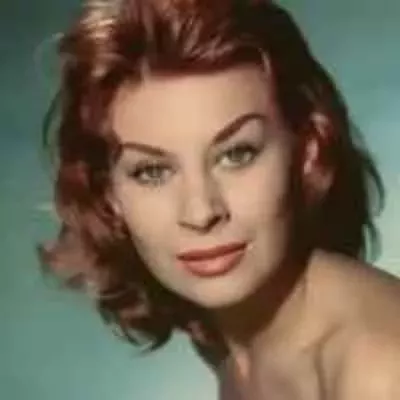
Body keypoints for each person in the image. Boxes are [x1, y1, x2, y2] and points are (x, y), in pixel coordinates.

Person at [40, 0, 400, 398]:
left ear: (306, 153)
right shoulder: (227, 339)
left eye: (237, 154)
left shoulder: (382, 367)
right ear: (109, 195)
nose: (201, 212)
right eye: (152, 172)